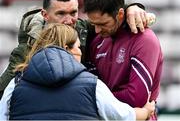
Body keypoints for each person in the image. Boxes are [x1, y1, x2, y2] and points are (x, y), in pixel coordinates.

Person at [0, 0, 154, 98]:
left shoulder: (84, 29)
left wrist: (132, 8)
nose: (68, 20)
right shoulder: (27, 48)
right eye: (61, 13)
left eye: (73, 12)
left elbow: (111, 15)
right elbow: (3, 91)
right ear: (45, 15)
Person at [0, 23, 155, 120]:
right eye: (77, 47)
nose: (80, 52)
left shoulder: (15, 85)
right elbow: (123, 117)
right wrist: (146, 111)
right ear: (66, 48)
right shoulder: (92, 84)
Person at [83, 0, 163, 120]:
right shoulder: (97, 40)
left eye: (102, 24)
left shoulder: (144, 39)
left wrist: (92, 100)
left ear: (120, 14)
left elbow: (136, 98)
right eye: (93, 24)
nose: (96, 30)